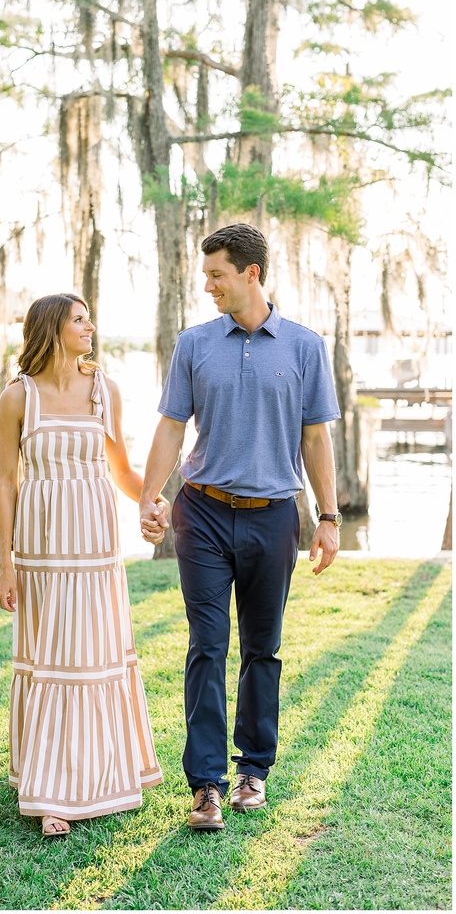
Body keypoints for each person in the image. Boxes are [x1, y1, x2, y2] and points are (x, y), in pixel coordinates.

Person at [139, 223, 341, 831]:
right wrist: (151, 497)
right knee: (207, 643)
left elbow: (315, 438)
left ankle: (253, 768)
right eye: (205, 276)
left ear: (251, 273)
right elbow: (173, 427)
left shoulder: (304, 347)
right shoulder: (195, 344)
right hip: (200, 511)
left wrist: (328, 519)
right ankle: (205, 785)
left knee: (263, 647)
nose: (208, 287)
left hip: (275, 516)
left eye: (217, 275)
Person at [0, 293, 163, 837]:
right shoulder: (17, 398)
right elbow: (5, 483)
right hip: (42, 553)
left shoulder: (104, 390)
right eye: (80, 319)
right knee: (53, 661)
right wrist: (5, 563)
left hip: (95, 549)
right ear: (51, 329)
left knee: (92, 655)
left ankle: (102, 772)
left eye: (90, 316)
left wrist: (156, 502)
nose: (91, 325)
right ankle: (52, 793)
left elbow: (122, 471)